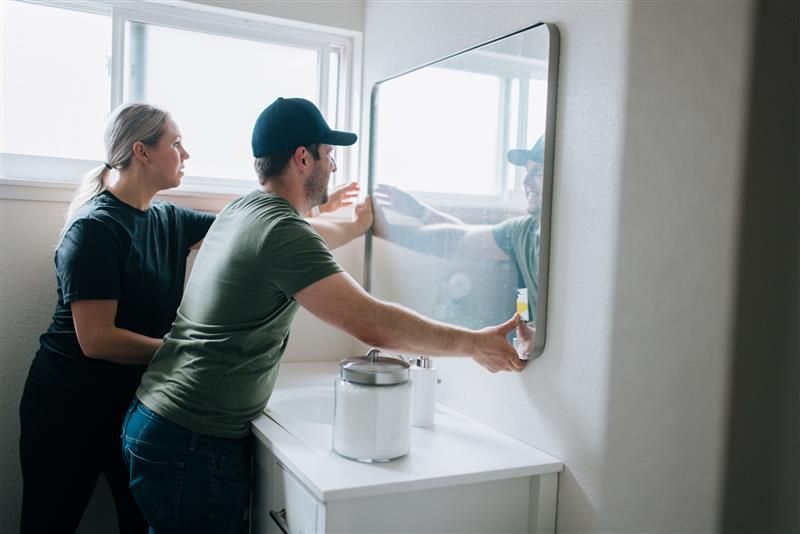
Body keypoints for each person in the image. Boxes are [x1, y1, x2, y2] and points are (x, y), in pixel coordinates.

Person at [122, 96, 525, 534]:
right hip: (191, 439)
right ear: (302, 159)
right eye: (328, 155)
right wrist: (474, 344)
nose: (333, 167)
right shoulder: (281, 231)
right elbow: (371, 323)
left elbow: (314, 236)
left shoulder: (245, 210)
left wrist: (359, 224)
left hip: (159, 417)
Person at [17, 102, 361, 534]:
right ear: (141, 152)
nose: (187, 153)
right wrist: (188, 350)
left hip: (132, 401)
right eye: (176, 143)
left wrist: (333, 216)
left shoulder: (168, 218)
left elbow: (260, 236)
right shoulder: (94, 230)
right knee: (49, 523)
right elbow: (97, 340)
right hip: (68, 409)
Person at [373, 136, 546, 358]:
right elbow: (463, 239)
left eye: (538, 172)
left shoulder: (579, 245)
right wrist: (413, 217)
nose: (526, 182)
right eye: (526, 172)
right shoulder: (523, 231)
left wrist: (542, 339)